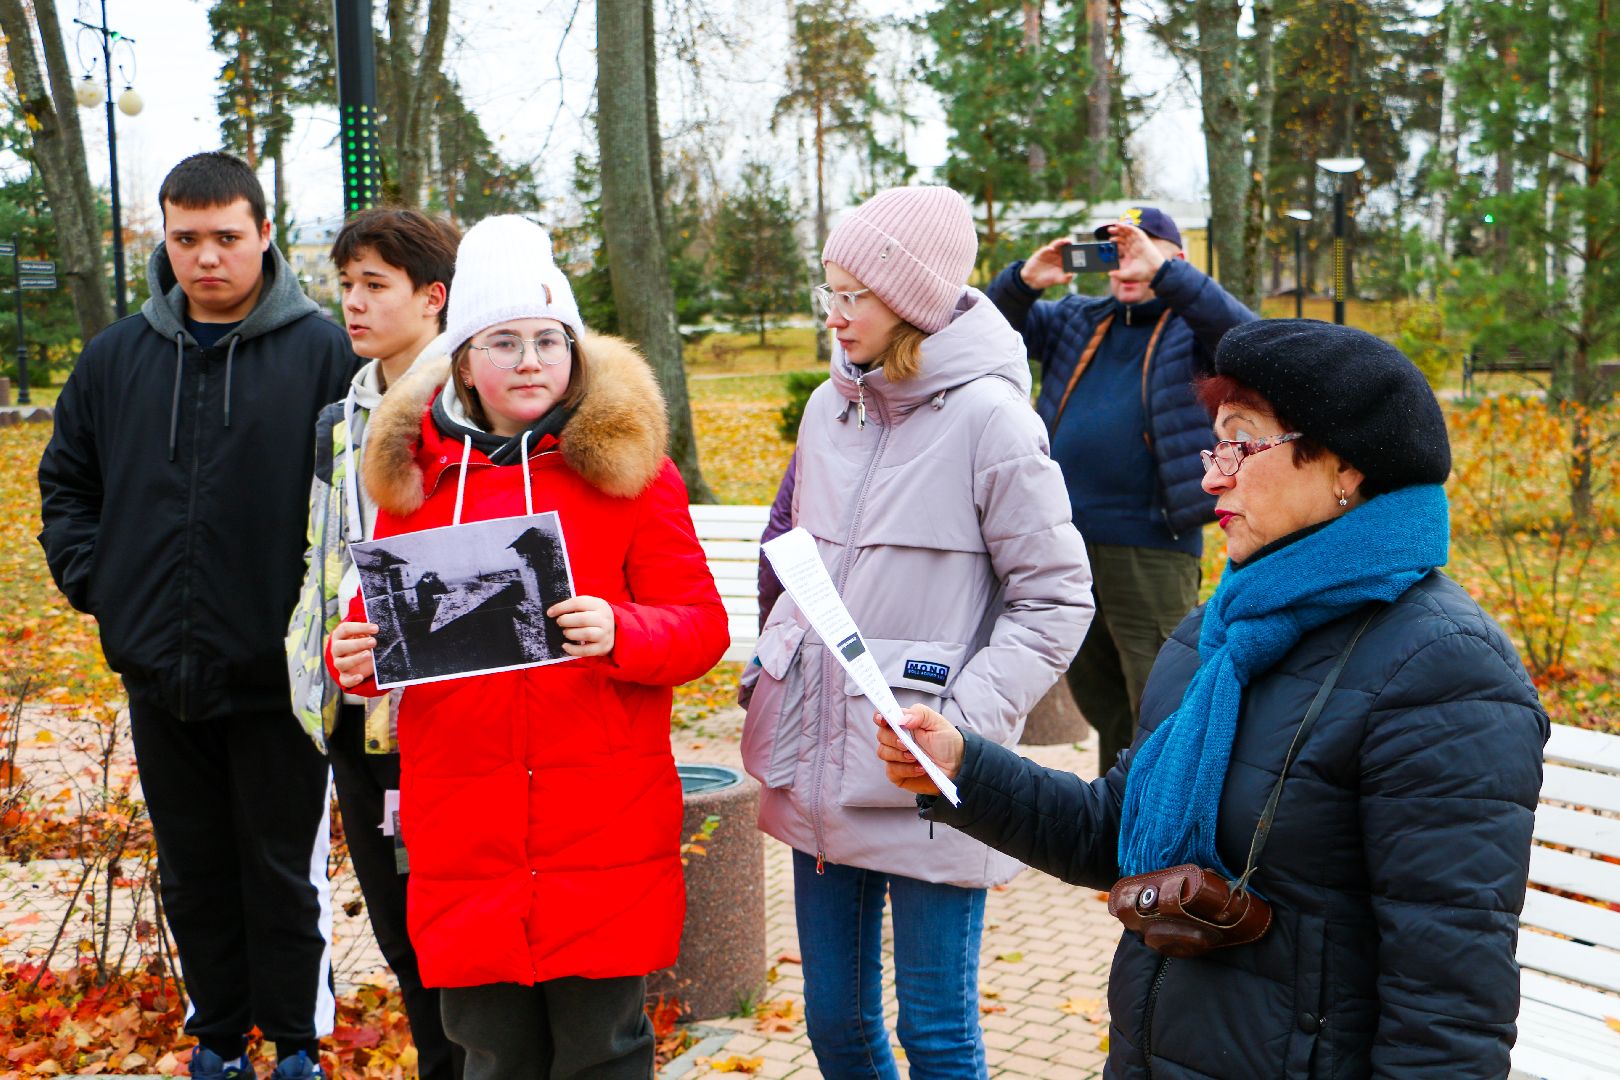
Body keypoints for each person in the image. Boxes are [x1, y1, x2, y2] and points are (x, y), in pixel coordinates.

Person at [876, 320, 1549, 1079]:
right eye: (1212, 446)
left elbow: (1449, 1007)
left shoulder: (1445, 672)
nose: (1211, 478)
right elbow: (1115, 833)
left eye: (1242, 443)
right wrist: (963, 766)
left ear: (1344, 465)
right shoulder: (1220, 632)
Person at [323, 214, 730, 1080]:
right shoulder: (415, 479)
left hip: (602, 826)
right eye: (503, 341)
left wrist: (624, 630)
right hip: (464, 832)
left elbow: (701, 624)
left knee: (603, 1054)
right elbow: (371, 623)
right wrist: (349, 655)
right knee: (492, 1055)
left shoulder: (631, 473)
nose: (530, 360)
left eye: (550, 339)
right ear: (463, 357)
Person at [740, 185, 1094, 1080]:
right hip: (819, 760)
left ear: (913, 296)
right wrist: (771, 672)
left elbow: (1055, 598)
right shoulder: (831, 408)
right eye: (829, 292)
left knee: (935, 1036)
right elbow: (797, 564)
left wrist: (960, 727)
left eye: (853, 295)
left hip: (927, 772)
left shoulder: (993, 421)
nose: (835, 315)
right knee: (837, 1028)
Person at [37, 152, 358, 1080]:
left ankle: (297, 1042)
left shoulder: (324, 354)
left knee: (280, 867)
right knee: (194, 866)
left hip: (278, 677)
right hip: (159, 668)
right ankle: (217, 1038)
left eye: (227, 237)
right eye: (186, 239)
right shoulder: (114, 359)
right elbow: (68, 485)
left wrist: (314, 618)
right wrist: (104, 584)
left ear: (264, 233)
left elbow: (355, 504)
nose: (207, 257)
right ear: (162, 242)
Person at [284, 207, 462, 1080]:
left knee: (451, 940)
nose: (351, 304)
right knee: (397, 936)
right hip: (356, 711)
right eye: (344, 284)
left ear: (433, 298)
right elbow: (323, 559)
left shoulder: (464, 409)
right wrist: (315, 670)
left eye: (374, 286)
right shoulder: (336, 419)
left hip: (442, 711)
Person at [985, 207, 1256, 773]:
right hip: (1064, 544)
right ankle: (1119, 827)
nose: (1125, 263)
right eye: (1114, 251)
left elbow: (1247, 337)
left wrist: (1166, 279)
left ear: (1173, 261)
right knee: (1101, 702)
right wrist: (1023, 282)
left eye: (1140, 249)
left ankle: (1167, 839)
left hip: (1151, 544)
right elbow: (986, 331)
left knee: (1159, 704)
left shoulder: (1194, 328)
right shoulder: (1079, 319)